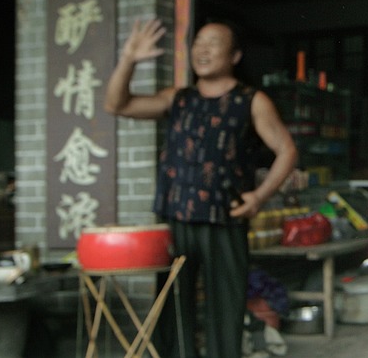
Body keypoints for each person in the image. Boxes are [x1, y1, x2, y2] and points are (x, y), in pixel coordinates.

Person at [105, 18, 298, 358]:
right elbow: (116, 105)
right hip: (176, 216)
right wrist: (129, 59)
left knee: (226, 308)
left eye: (213, 43)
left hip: (225, 219)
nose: (202, 49)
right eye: (198, 43)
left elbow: (287, 150)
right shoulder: (177, 98)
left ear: (235, 55)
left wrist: (259, 197)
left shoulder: (251, 100)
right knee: (173, 304)